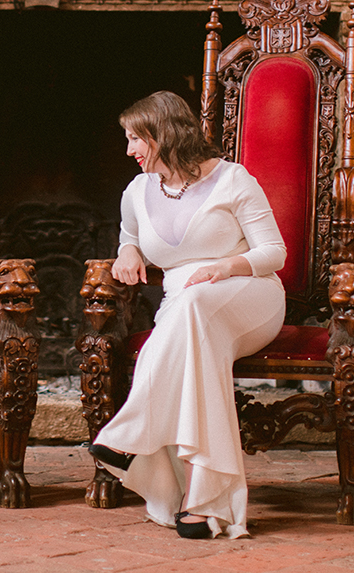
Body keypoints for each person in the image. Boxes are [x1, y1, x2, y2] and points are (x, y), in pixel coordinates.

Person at [87, 91, 286, 539]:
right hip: (185, 310)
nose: (129, 150)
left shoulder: (233, 179)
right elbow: (129, 236)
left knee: (192, 310)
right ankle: (201, 504)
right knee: (194, 337)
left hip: (250, 294)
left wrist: (224, 267)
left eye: (135, 138)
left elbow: (275, 252)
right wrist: (128, 252)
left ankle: (130, 433)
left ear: (164, 134)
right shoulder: (137, 191)